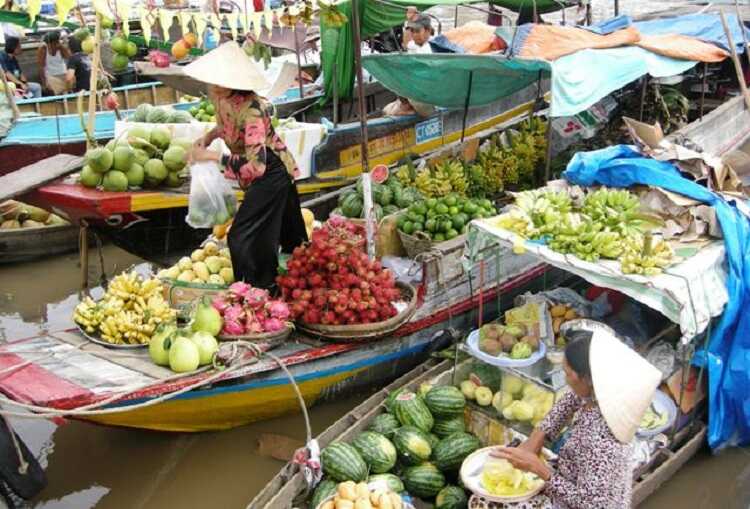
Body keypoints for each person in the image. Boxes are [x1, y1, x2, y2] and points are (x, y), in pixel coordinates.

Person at [477, 328, 662, 509]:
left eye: (568, 373)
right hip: (574, 477)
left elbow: (592, 504)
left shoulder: (600, 441)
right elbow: (570, 400)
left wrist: (540, 470)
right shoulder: (598, 392)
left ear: (587, 379)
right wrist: (538, 436)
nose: (565, 380)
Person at [184, 41, 307, 290]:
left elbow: (257, 166)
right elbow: (227, 125)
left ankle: (257, 290)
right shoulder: (221, 98)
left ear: (232, 82)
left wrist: (212, 157)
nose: (213, 87)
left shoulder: (253, 110)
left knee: (242, 236)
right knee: (290, 235)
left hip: (271, 170)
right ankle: (287, 282)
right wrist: (210, 136)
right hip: (258, 171)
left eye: (219, 82)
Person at [383, 12, 435, 117]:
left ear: (427, 31)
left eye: (417, 31)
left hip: (424, 102)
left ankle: (406, 106)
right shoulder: (414, 45)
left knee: (400, 72)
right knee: (385, 110)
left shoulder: (426, 50)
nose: (414, 34)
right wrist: (410, 19)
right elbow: (406, 43)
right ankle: (405, 105)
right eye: (412, 31)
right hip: (414, 96)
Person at [37, 31, 70, 95]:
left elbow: (68, 57)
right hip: (50, 76)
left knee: (66, 93)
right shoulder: (43, 49)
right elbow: (41, 67)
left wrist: (62, 47)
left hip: (63, 73)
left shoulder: (61, 48)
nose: (49, 45)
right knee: (56, 93)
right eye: (47, 43)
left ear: (56, 42)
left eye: (54, 43)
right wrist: (44, 82)